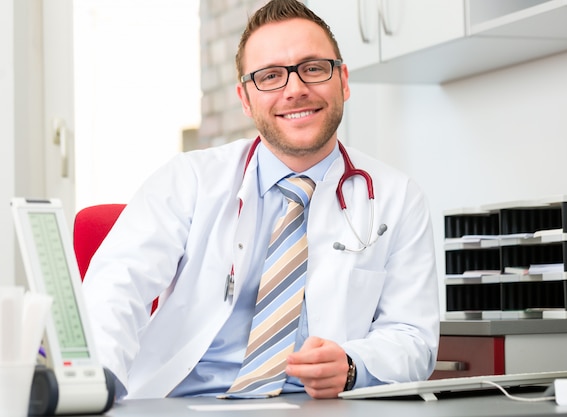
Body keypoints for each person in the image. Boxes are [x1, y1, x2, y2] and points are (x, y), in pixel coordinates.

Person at [82, 0, 439, 400]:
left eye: (314, 68)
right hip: (185, 403)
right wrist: (94, 384)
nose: (295, 89)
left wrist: (353, 365)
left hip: (319, 407)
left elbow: (413, 337)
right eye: (270, 76)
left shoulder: (397, 197)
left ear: (343, 81)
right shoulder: (188, 181)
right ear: (245, 99)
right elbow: (116, 287)